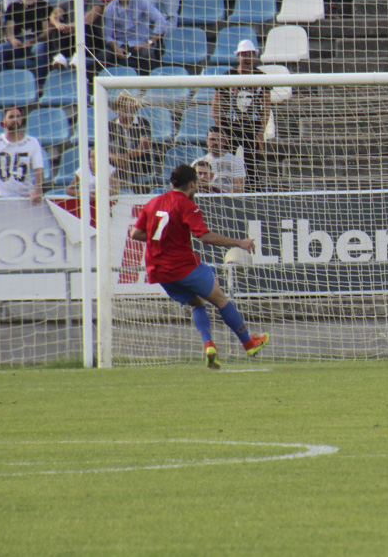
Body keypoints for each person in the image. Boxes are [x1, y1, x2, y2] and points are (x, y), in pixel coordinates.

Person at [129, 163, 269, 370]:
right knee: (220, 299)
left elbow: (135, 234)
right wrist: (239, 242)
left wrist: (163, 238)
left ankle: (208, 344)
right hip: (183, 265)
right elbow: (204, 236)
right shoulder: (186, 205)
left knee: (196, 303)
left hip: (158, 269)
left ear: (171, 182)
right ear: (192, 184)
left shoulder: (153, 203)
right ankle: (249, 343)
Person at [211, 39, 270, 191]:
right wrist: (220, 130)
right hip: (229, 127)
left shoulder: (262, 77)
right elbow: (215, 105)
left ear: (255, 57)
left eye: (250, 54)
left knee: (252, 164)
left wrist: (261, 133)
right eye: (244, 55)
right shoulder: (228, 76)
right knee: (226, 161)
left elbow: (266, 107)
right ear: (238, 57)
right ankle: (223, 190)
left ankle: (253, 194)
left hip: (252, 127)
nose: (247, 58)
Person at [0, 0, 55, 89]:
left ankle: (40, 85)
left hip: (35, 43)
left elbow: (47, 32)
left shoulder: (44, 6)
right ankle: (3, 85)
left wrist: (34, 40)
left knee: (40, 48)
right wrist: (12, 39)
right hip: (18, 43)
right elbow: (9, 30)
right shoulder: (13, 6)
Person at [0, 106, 44, 206]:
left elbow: (39, 169)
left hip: (26, 197)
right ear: (3, 122)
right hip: (1, 197)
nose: (15, 120)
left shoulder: (32, 142)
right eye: (11, 117)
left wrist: (38, 190)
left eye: (18, 116)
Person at [102, 0, 168, 72]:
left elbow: (160, 19)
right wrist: (116, 48)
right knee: (103, 56)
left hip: (140, 43)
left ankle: (148, 85)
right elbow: (107, 35)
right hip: (120, 44)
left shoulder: (141, 2)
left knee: (148, 54)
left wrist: (150, 42)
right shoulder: (110, 8)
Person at [109, 90, 155, 186]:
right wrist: (115, 157)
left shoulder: (143, 122)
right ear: (117, 109)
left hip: (140, 165)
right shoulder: (111, 125)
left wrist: (126, 157)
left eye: (128, 107)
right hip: (118, 166)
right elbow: (103, 147)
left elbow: (145, 146)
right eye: (122, 106)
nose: (125, 110)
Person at [202, 126, 247, 193]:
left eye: (219, 140)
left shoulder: (236, 161)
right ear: (207, 141)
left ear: (225, 141)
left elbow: (239, 189)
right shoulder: (198, 162)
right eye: (212, 139)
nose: (215, 143)